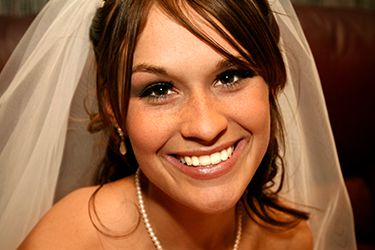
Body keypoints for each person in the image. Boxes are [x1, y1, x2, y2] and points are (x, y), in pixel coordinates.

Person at [0, 0, 356, 249]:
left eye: (230, 76)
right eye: (158, 89)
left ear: (274, 82)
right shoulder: (68, 241)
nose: (204, 125)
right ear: (114, 111)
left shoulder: (293, 240)